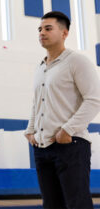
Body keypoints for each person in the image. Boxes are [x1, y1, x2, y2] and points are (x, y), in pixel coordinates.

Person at [24, 11, 100, 209]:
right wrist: (30, 130)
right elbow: (37, 102)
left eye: (48, 28)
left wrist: (68, 130)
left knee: (77, 204)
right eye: (40, 29)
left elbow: (94, 100)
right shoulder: (41, 67)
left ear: (65, 33)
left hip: (71, 145)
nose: (42, 32)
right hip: (42, 147)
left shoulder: (77, 61)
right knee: (51, 205)